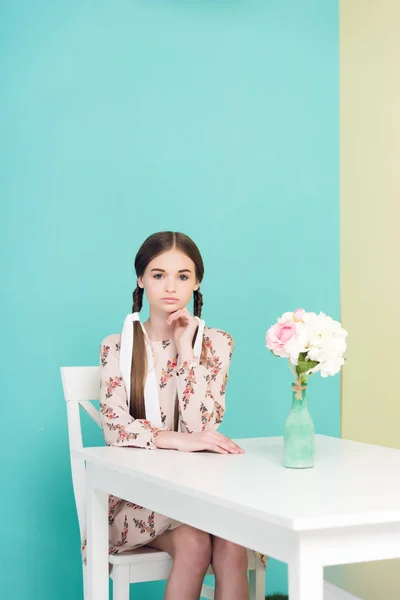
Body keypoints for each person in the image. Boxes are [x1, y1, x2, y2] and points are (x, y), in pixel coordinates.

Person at [81, 231, 266, 599]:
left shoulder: (216, 343)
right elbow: (115, 428)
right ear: (141, 279)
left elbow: (203, 425)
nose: (171, 287)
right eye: (158, 274)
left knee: (231, 542)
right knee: (196, 543)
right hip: (138, 500)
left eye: (183, 276)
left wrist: (186, 352)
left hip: (201, 493)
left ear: (197, 282)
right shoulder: (117, 346)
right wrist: (178, 440)